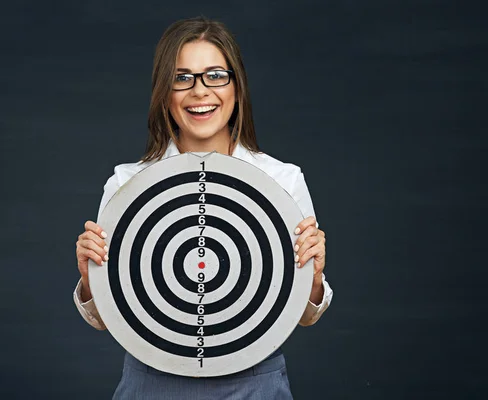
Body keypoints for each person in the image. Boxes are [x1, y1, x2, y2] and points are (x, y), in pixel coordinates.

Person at [73, 16, 333, 399]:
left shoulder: (283, 181)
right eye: (182, 78)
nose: (200, 91)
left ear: (237, 87)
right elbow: (111, 321)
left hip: (254, 384)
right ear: (164, 93)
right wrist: (88, 279)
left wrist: (312, 279)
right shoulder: (127, 186)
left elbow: (304, 316)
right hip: (151, 383)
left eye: (215, 75)